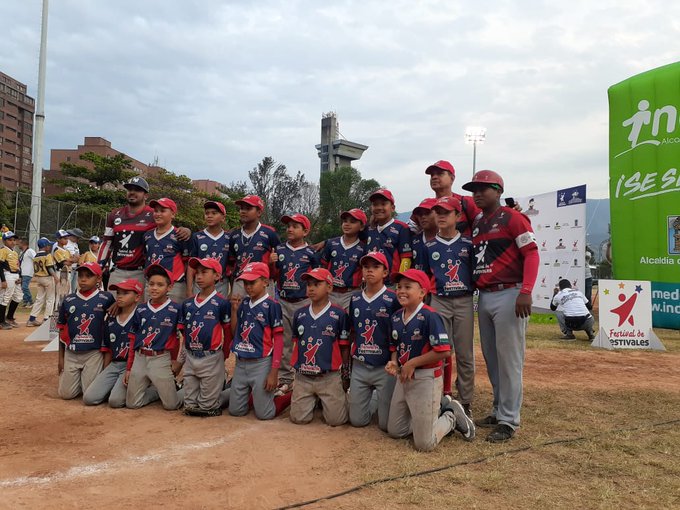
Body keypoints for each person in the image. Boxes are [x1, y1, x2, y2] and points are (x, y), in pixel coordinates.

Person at [462, 170, 539, 443]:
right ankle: (498, 410)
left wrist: (526, 291)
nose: (478, 194)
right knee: (492, 358)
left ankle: (509, 420)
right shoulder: (479, 221)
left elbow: (531, 253)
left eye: (484, 189)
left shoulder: (514, 217)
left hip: (510, 292)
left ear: (498, 190)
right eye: (474, 190)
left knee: (510, 360)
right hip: (485, 294)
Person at [385, 269, 475, 451]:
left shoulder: (430, 316)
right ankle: (427, 420)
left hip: (426, 377)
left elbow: (444, 351)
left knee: (425, 444)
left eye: (408, 287)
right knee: (395, 430)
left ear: (422, 292)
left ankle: (451, 415)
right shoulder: (396, 317)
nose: (401, 290)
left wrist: (412, 363)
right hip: (404, 377)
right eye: (399, 286)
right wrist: (394, 362)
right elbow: (394, 347)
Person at [423, 196, 475, 415]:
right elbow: (425, 276)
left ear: (458, 216)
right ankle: (441, 396)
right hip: (439, 301)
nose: (441, 216)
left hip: (463, 300)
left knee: (464, 353)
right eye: (438, 212)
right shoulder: (429, 246)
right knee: (441, 350)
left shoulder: (468, 244)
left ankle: (465, 401)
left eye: (446, 212)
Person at [98, 176, 190, 290]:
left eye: (137, 190)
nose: (132, 192)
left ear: (146, 195)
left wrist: (186, 230)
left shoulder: (153, 214)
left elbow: (168, 229)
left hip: (141, 273)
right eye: (129, 189)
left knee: (140, 308)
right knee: (113, 306)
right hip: (117, 271)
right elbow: (107, 243)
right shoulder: (114, 214)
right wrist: (98, 267)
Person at [289, 268, 350, 426]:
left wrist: (345, 374)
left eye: (317, 284)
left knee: (336, 421)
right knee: (298, 419)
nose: (311, 288)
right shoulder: (299, 314)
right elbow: (296, 342)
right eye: (309, 284)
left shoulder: (339, 314)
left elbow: (344, 346)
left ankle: (335, 401)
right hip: (304, 376)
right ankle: (308, 400)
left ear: (329, 287)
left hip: (329, 377)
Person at [347, 252, 400, 431]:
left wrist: (395, 360)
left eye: (375, 267)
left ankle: (379, 396)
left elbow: (398, 334)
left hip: (384, 367)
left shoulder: (393, 299)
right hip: (360, 365)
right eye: (366, 267)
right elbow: (352, 332)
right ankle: (373, 397)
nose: (370, 270)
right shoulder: (354, 298)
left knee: (385, 425)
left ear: (385, 272)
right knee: (357, 421)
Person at [228, 262, 285, 420]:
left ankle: (285, 397)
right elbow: (235, 333)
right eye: (245, 283)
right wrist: (234, 310)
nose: (248, 287)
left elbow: (278, 340)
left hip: (261, 363)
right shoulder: (244, 303)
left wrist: (273, 372)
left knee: (264, 415)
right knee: (236, 411)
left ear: (265, 282)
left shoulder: (272, 306)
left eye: (252, 282)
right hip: (241, 362)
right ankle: (255, 395)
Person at [177, 257, 232, 417]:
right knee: (190, 406)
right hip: (191, 356)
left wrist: (225, 354)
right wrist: (182, 357)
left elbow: (227, 331)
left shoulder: (221, 303)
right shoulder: (187, 304)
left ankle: (231, 388)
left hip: (211, 357)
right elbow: (184, 333)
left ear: (217, 276)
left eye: (204, 272)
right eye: (197, 273)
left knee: (207, 407)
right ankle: (213, 386)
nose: (199, 276)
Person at [271, 213, 319, 394]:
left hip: (304, 302)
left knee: (307, 339)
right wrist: (271, 264)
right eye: (288, 226)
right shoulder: (279, 250)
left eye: (295, 226)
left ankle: (306, 376)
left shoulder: (311, 253)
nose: (290, 229)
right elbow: (274, 276)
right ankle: (285, 379)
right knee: (284, 341)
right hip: (283, 300)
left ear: (305, 231)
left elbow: (317, 278)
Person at [125, 264, 183, 410]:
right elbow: (133, 339)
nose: (154, 288)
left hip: (161, 358)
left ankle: (185, 389)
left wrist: (176, 361)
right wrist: (129, 367)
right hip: (140, 358)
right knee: (132, 404)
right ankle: (157, 392)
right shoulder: (141, 308)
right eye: (151, 284)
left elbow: (180, 339)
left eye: (160, 285)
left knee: (171, 405)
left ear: (169, 287)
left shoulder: (176, 309)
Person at [82, 278, 148, 408]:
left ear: (137, 297)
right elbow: (107, 348)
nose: (120, 296)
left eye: (125, 293)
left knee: (115, 401)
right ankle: (116, 388)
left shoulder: (142, 316)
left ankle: (152, 390)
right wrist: (105, 373)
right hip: (115, 364)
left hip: (134, 365)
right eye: (118, 293)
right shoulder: (111, 318)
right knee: (89, 398)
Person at [56, 262, 115, 400]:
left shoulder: (106, 298)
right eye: (80, 275)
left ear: (99, 279)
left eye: (88, 276)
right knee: (66, 394)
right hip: (72, 352)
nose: (83, 279)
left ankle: (86, 381)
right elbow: (61, 330)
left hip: (93, 353)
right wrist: (60, 358)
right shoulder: (69, 300)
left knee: (90, 393)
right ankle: (77, 380)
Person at [228, 195, 280, 298]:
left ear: (259, 212)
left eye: (248, 208)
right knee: (237, 312)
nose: (243, 211)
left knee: (263, 312)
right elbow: (231, 263)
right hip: (240, 281)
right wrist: (232, 286)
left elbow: (279, 259)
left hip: (262, 281)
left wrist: (271, 264)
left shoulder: (270, 233)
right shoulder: (234, 235)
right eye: (242, 208)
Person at [144, 197, 189, 302]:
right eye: (156, 211)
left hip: (173, 286)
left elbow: (187, 262)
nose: (158, 214)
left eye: (163, 211)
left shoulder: (180, 235)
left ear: (173, 214)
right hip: (151, 285)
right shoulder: (147, 235)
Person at [320, 208, 367, 311]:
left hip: (351, 293)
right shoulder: (331, 244)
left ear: (362, 226)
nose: (347, 224)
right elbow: (323, 266)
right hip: (330, 292)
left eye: (353, 222)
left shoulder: (364, 248)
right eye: (345, 221)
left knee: (349, 324)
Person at [366, 189, 412, 285]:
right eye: (375, 204)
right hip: (370, 283)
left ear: (392, 207)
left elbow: (406, 258)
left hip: (390, 285)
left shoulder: (401, 228)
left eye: (383, 204)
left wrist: (400, 281)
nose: (379, 208)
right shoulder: (369, 228)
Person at [186, 201, 230, 297]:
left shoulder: (229, 238)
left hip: (221, 283)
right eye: (207, 213)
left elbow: (231, 265)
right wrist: (189, 290)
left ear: (223, 217)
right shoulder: (197, 236)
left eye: (214, 213)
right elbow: (190, 265)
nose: (209, 216)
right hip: (200, 283)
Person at [425, 160, 481, 236]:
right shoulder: (425, 207)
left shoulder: (467, 202)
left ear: (452, 178)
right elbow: (411, 230)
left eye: (440, 174)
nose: (434, 177)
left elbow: (485, 226)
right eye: (432, 175)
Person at [27, 238, 58, 327]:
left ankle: (31, 319)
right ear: (45, 246)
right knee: (50, 299)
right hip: (47, 278)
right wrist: (56, 277)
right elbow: (50, 268)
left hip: (38, 278)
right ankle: (46, 319)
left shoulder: (36, 256)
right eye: (49, 245)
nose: (50, 247)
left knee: (39, 299)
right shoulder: (47, 255)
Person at [0, 231, 22, 329]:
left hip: (15, 275)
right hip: (7, 275)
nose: (12, 242)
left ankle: (9, 317)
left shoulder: (15, 252)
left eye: (14, 240)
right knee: (5, 297)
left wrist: (19, 276)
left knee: (18, 297)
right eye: (9, 240)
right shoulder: (3, 250)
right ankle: (1, 321)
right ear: (4, 241)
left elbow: (17, 266)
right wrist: (3, 280)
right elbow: (0, 265)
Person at [410, 198, 438, 272]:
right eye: (420, 214)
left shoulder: (448, 240)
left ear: (438, 214)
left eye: (427, 213)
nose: (423, 217)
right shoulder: (412, 241)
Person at [52, 230, 73, 307]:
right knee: (59, 293)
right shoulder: (57, 250)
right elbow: (63, 263)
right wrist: (71, 260)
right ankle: (57, 310)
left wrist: (70, 260)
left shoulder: (66, 250)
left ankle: (65, 309)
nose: (66, 240)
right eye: (64, 238)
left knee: (68, 292)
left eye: (67, 238)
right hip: (60, 273)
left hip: (68, 272)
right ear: (58, 239)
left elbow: (73, 260)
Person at [18, 238, 36, 307]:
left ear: (23, 244)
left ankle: (31, 301)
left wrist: (35, 270)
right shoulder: (22, 252)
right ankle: (25, 302)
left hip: (28, 272)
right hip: (22, 273)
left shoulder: (30, 251)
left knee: (24, 287)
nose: (18, 245)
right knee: (22, 288)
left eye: (19, 243)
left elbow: (36, 258)